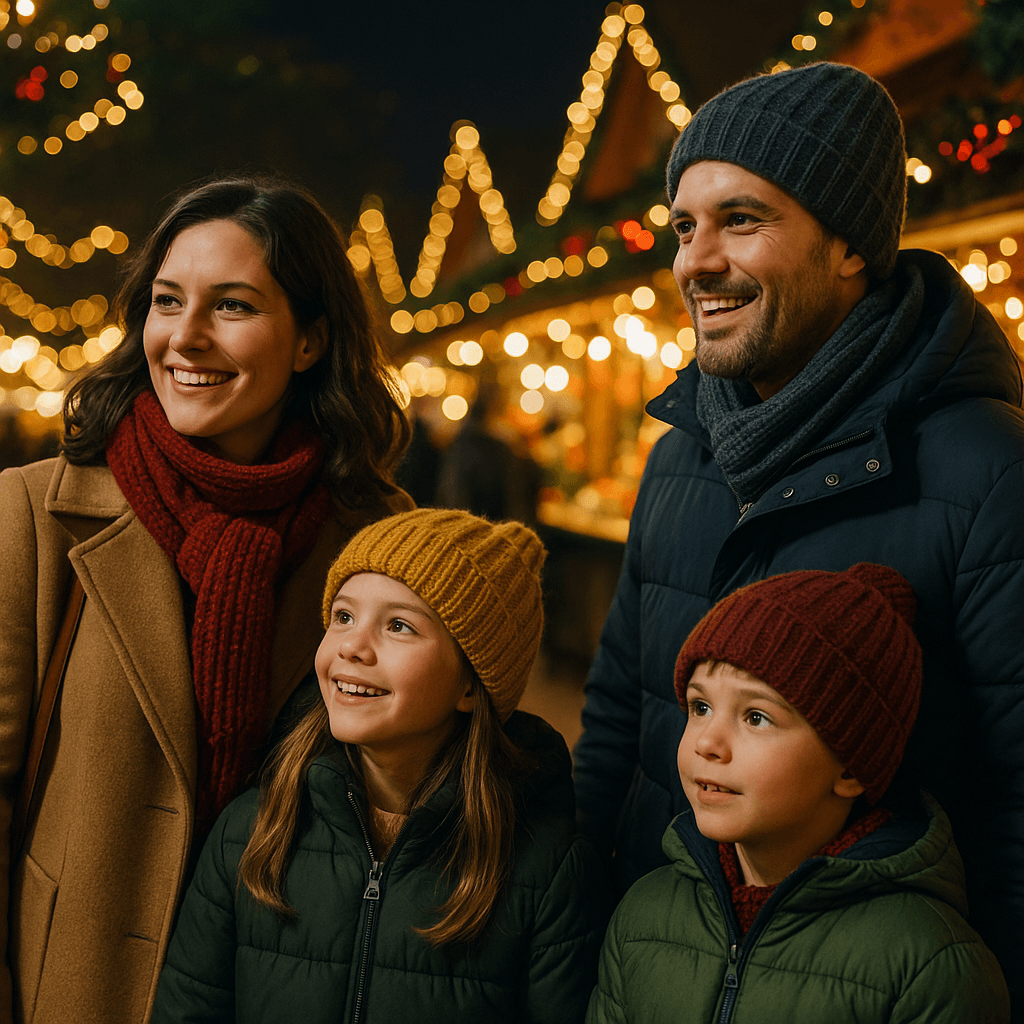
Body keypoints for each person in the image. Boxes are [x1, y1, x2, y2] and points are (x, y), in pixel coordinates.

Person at [572, 59, 1024, 1004]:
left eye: (742, 219)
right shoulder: (680, 455)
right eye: (684, 226)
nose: (695, 260)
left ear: (850, 244)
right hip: (660, 965)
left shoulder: (987, 469)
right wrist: (586, 933)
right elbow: (621, 718)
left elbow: (1016, 796)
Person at [0, 175, 412, 1024]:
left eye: (231, 307)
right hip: (76, 985)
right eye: (165, 301)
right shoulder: (37, 516)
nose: (184, 338)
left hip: (286, 988)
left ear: (308, 341)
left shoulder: (379, 540)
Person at [151, 508, 606, 1024]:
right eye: (343, 616)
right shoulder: (249, 832)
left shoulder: (548, 871)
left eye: (398, 626)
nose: (351, 646)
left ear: (470, 684)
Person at [587, 564, 1010, 1023]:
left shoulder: (932, 969)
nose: (706, 742)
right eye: (700, 706)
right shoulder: (643, 915)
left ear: (850, 765)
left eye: (755, 717)